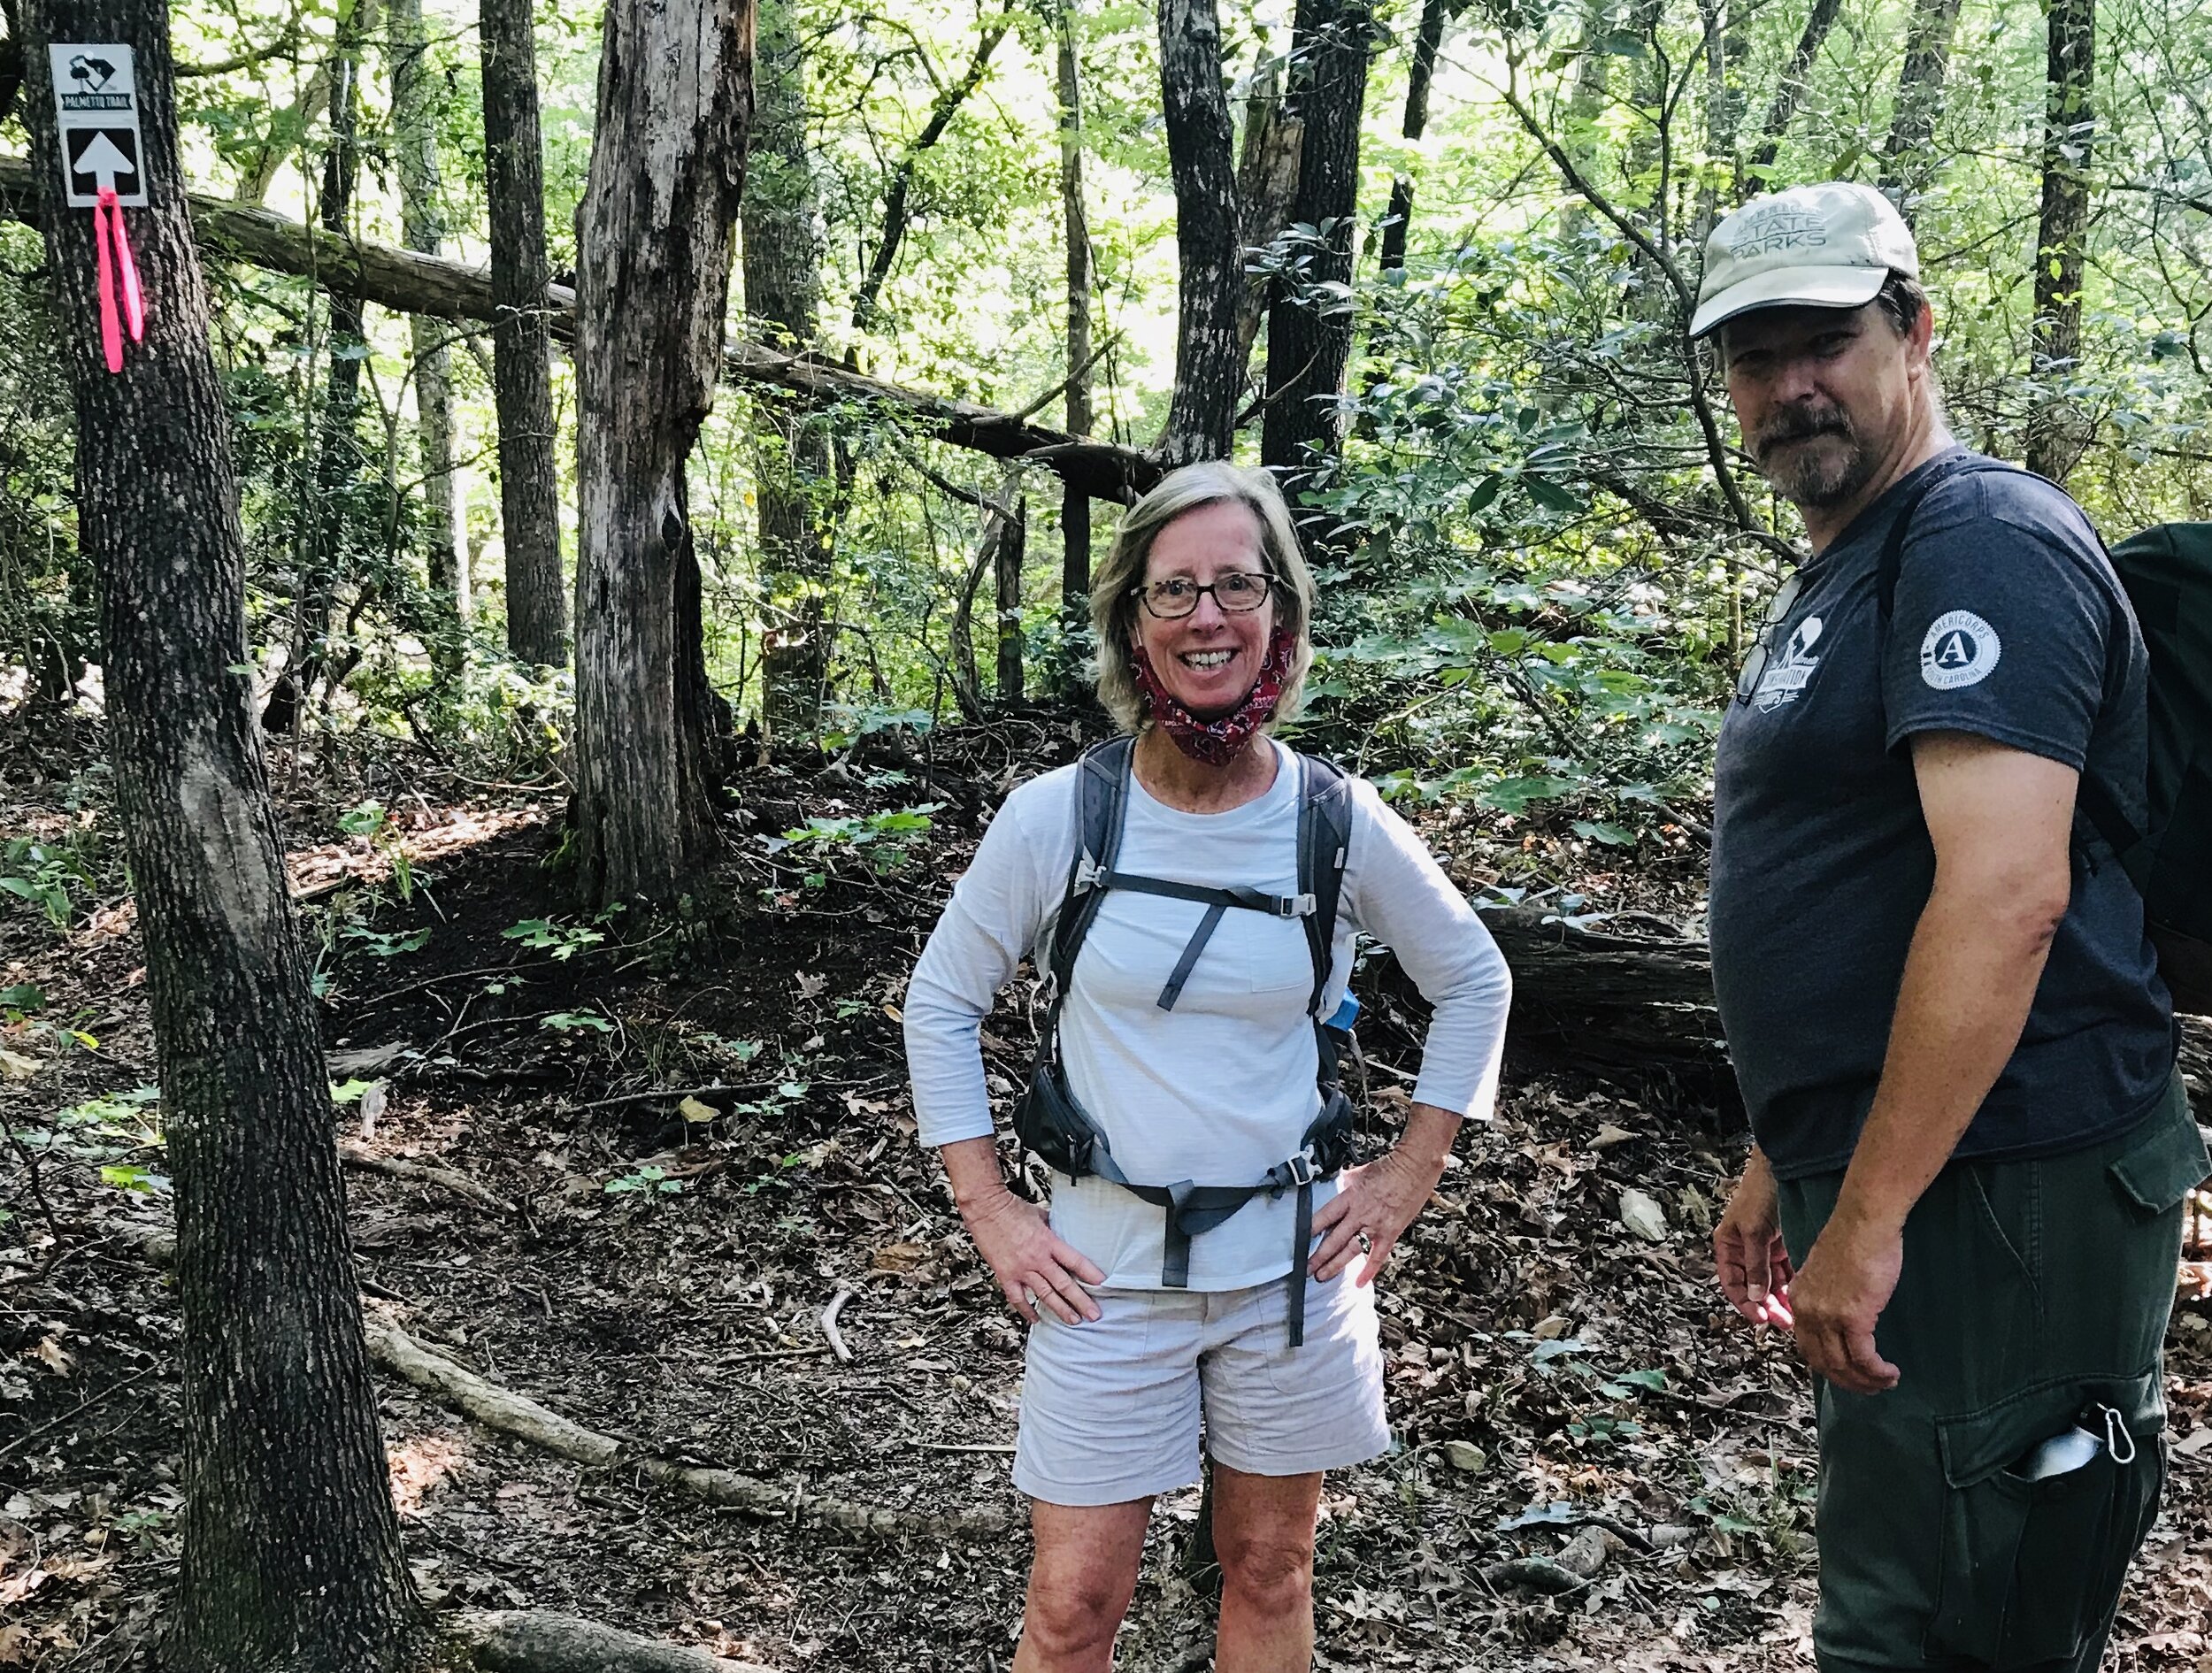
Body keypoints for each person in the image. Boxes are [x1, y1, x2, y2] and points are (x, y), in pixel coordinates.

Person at [1696, 180, 2210, 1673]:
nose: (1792, 383)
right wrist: (1782, 1153)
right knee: (1910, 1584)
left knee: (1945, 1624)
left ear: (1916, 333)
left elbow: (2006, 895)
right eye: (1755, 353)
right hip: (1933, 1171)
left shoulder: (1979, 536)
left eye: (1827, 341)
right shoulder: (1854, 562)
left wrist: (1865, 1219)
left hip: (2008, 1185)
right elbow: (1872, 878)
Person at [902, 460, 1511, 1672]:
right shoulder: (1056, 818)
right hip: (1100, 1272)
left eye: (1236, 585)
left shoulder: (1337, 819)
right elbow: (940, 1001)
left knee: (1274, 1571)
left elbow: (1476, 979)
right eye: (1173, 592)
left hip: (1292, 1271)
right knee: (1074, 1604)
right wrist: (990, 1209)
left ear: (1279, 610)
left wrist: (1405, 1178)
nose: (1208, 619)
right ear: (1132, 623)